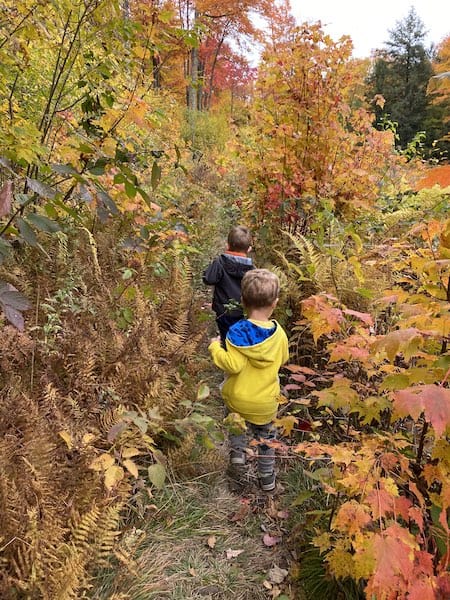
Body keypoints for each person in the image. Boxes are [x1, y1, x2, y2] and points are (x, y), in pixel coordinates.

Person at [208, 269, 289, 492]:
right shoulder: (279, 334)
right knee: (265, 441)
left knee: (237, 432)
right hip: (265, 402)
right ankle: (268, 482)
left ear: (242, 301)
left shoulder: (236, 332)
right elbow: (283, 359)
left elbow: (232, 365)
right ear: (275, 303)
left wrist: (215, 346)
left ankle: (237, 469)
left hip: (238, 400)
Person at [203, 225, 254, 345]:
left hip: (223, 310)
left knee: (226, 335)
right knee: (240, 337)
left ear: (227, 245)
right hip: (243, 311)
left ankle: (226, 356)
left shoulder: (220, 262)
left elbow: (208, 279)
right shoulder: (251, 269)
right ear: (249, 249)